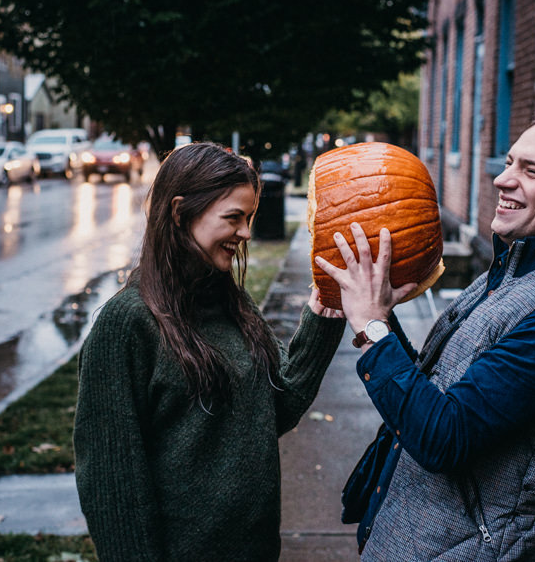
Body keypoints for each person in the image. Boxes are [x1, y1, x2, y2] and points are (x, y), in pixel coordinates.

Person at [316, 110, 535, 560]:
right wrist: (384, 318)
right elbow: (435, 391)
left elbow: (443, 437)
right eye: (509, 162)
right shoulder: (510, 274)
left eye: (532, 171)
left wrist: (371, 328)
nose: (502, 180)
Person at [74, 141, 345, 561]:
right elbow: (114, 486)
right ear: (180, 213)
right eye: (233, 218)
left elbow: (275, 409)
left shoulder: (232, 304)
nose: (246, 233)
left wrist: (325, 315)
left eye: (250, 217)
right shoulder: (126, 324)